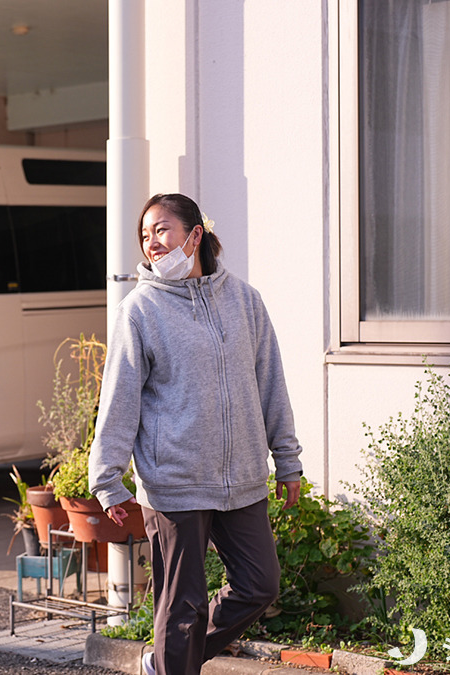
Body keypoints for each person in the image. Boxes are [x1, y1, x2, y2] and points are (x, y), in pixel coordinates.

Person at [88, 193, 303, 675]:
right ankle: (172, 661)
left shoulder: (245, 300)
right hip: (176, 483)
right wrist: (106, 479)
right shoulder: (139, 311)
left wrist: (286, 461)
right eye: (145, 236)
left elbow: (270, 383)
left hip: (242, 477)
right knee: (181, 608)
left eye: (161, 230)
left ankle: (165, 663)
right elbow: (119, 400)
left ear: (195, 235)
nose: (153, 243)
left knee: (259, 585)